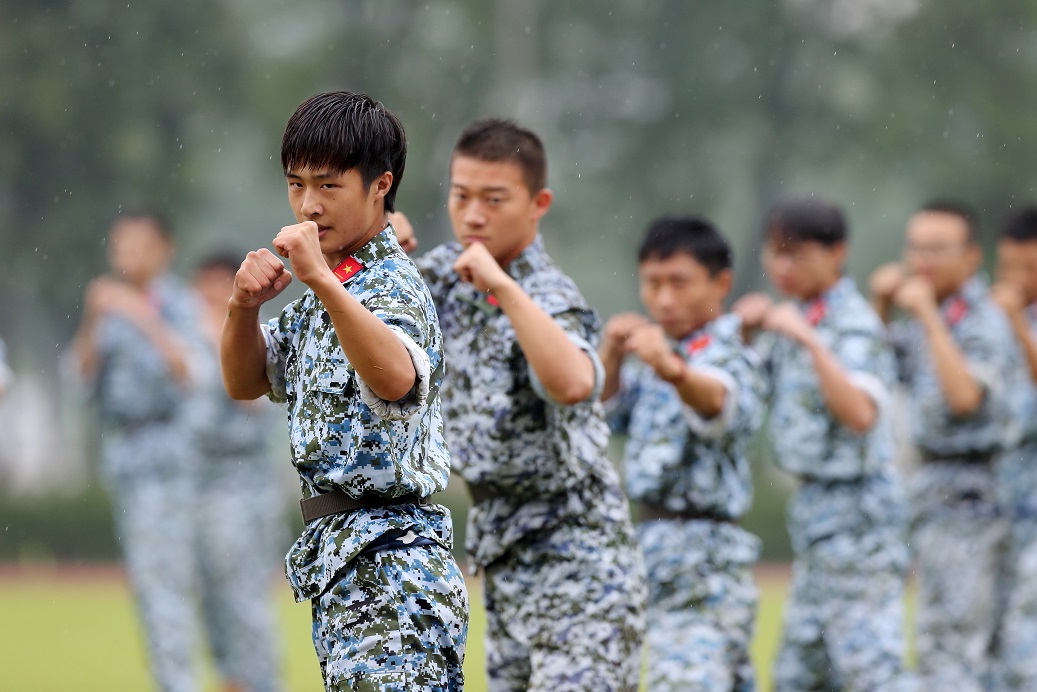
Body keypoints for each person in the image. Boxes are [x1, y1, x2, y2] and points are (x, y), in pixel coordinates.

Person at [220, 90, 467, 691]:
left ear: (380, 185)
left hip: (396, 566)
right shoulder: (331, 284)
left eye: (329, 186)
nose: (308, 205)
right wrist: (242, 307)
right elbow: (245, 381)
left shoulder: (387, 285)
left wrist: (322, 282)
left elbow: (396, 377)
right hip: (344, 565)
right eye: (296, 183)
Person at [394, 119, 646, 691]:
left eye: (494, 199)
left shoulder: (549, 295)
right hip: (502, 552)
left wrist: (505, 288)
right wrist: (381, 240)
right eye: (461, 196)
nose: (474, 215)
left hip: (579, 560)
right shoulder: (443, 277)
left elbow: (574, 384)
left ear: (538, 204)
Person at [734, 197, 914, 691]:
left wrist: (813, 343)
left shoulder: (851, 324)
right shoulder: (797, 319)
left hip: (859, 521)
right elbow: (749, 397)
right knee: (800, 674)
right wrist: (747, 338)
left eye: (797, 254)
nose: (782, 266)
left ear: (837, 254)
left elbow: (860, 413)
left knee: (872, 670)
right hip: (816, 520)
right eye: (775, 253)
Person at [600, 216, 763, 691]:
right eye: (652, 283)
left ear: (721, 284)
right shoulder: (660, 351)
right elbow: (606, 415)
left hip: (706, 561)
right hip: (648, 547)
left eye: (679, 283)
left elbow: (716, 401)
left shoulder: (729, 353)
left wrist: (671, 369)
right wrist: (611, 354)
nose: (664, 299)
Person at [869, 200, 1019, 692]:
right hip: (930, 493)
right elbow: (879, 377)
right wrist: (883, 308)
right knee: (943, 640)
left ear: (972, 256)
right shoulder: (924, 316)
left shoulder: (981, 319)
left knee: (953, 646)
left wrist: (928, 315)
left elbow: (964, 397)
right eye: (916, 248)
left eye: (938, 248)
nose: (923, 260)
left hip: (970, 498)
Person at [70, 211, 209, 692]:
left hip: (170, 458)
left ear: (163, 249)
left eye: (138, 245)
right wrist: (94, 317)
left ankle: (180, 683)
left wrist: (141, 316)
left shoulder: (179, 305)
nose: (127, 255)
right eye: (120, 245)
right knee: (150, 587)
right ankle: (173, 679)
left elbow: (195, 374)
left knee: (166, 584)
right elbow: (81, 381)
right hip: (126, 458)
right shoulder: (106, 305)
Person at [190, 253, 287, 692]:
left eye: (218, 285)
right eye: (202, 286)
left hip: (243, 488)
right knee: (211, 602)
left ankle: (262, 684)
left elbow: (253, 402)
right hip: (192, 484)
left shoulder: (247, 334)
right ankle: (233, 682)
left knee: (244, 598)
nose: (209, 296)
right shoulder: (185, 333)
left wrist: (221, 332)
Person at [989, 204, 1037, 690]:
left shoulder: (1016, 323)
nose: (1016, 279)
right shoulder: (995, 324)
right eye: (1008, 266)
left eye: (1029, 266)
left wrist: (1020, 326)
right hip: (1003, 512)